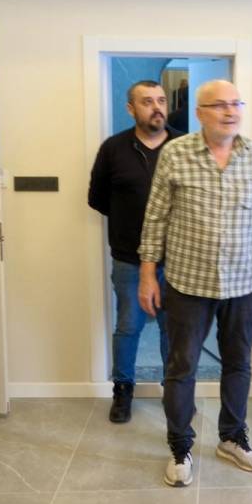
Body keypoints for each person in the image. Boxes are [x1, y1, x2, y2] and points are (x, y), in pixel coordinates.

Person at [137, 79, 252, 488]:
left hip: (244, 283)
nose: (230, 111)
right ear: (200, 113)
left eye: (236, 103)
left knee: (239, 363)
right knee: (181, 367)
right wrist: (148, 274)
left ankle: (232, 437)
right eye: (220, 105)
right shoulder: (176, 154)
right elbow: (155, 218)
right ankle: (179, 446)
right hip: (188, 283)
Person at [88, 80, 184, 423]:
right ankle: (123, 390)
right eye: (147, 101)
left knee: (172, 329)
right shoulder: (113, 149)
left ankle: (174, 391)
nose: (157, 107)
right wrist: (130, 220)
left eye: (161, 100)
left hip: (178, 259)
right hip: (129, 257)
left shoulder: (185, 146)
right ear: (131, 109)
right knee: (129, 326)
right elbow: (97, 199)